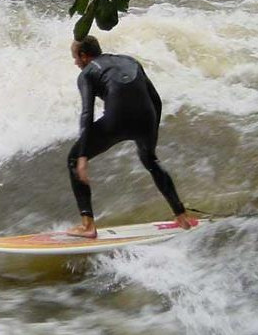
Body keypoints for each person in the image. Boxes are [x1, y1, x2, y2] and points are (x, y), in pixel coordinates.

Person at [66, 36, 196, 237]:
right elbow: (156, 100)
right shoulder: (129, 61)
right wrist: (151, 134)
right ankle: (181, 215)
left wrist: (83, 156)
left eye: (75, 58)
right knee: (151, 160)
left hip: (117, 119)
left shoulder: (87, 74)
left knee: (73, 159)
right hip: (147, 118)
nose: (75, 63)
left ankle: (87, 225)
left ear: (84, 56)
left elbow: (87, 113)